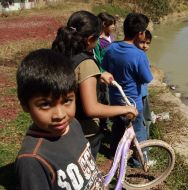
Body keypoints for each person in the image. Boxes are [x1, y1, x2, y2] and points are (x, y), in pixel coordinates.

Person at [52, 10, 137, 159]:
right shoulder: (86, 64)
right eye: (97, 38)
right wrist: (125, 109)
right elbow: (92, 108)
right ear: (90, 39)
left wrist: (97, 74)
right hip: (84, 132)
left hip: (63, 125)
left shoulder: (61, 52)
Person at [15, 49, 104, 190]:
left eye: (67, 101)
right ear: (25, 105)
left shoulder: (74, 124)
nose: (60, 115)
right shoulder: (32, 160)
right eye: (45, 104)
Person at [102, 13, 153, 159]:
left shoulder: (111, 48)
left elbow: (104, 68)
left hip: (115, 100)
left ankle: (114, 155)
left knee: (117, 129)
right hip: (132, 103)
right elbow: (146, 78)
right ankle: (141, 161)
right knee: (139, 131)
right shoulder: (139, 55)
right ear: (140, 34)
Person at [135, 30, 153, 138]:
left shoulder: (142, 55)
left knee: (145, 118)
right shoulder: (139, 56)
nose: (145, 46)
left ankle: (145, 139)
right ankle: (143, 145)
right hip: (139, 94)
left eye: (148, 43)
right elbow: (146, 78)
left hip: (143, 92)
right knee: (142, 119)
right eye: (142, 42)